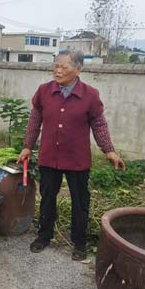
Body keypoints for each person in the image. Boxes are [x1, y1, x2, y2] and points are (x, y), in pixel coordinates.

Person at [17, 50, 125, 261]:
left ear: (78, 70)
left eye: (63, 67)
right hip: (49, 156)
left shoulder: (90, 95)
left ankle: (79, 243)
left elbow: (99, 124)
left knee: (80, 201)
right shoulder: (44, 91)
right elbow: (35, 119)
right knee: (47, 198)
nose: (57, 71)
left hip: (77, 159)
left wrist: (109, 150)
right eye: (56, 66)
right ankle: (44, 236)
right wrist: (28, 146)